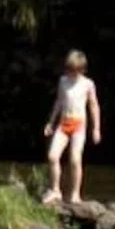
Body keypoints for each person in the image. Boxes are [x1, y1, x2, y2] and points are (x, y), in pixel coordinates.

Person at [43, 50, 102, 205]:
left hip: (79, 126)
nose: (71, 73)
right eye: (69, 70)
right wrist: (51, 122)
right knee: (53, 156)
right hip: (63, 124)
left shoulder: (88, 84)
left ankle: (75, 194)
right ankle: (55, 190)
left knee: (75, 159)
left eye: (74, 71)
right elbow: (59, 102)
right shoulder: (63, 81)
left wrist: (96, 128)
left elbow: (94, 106)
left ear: (82, 70)